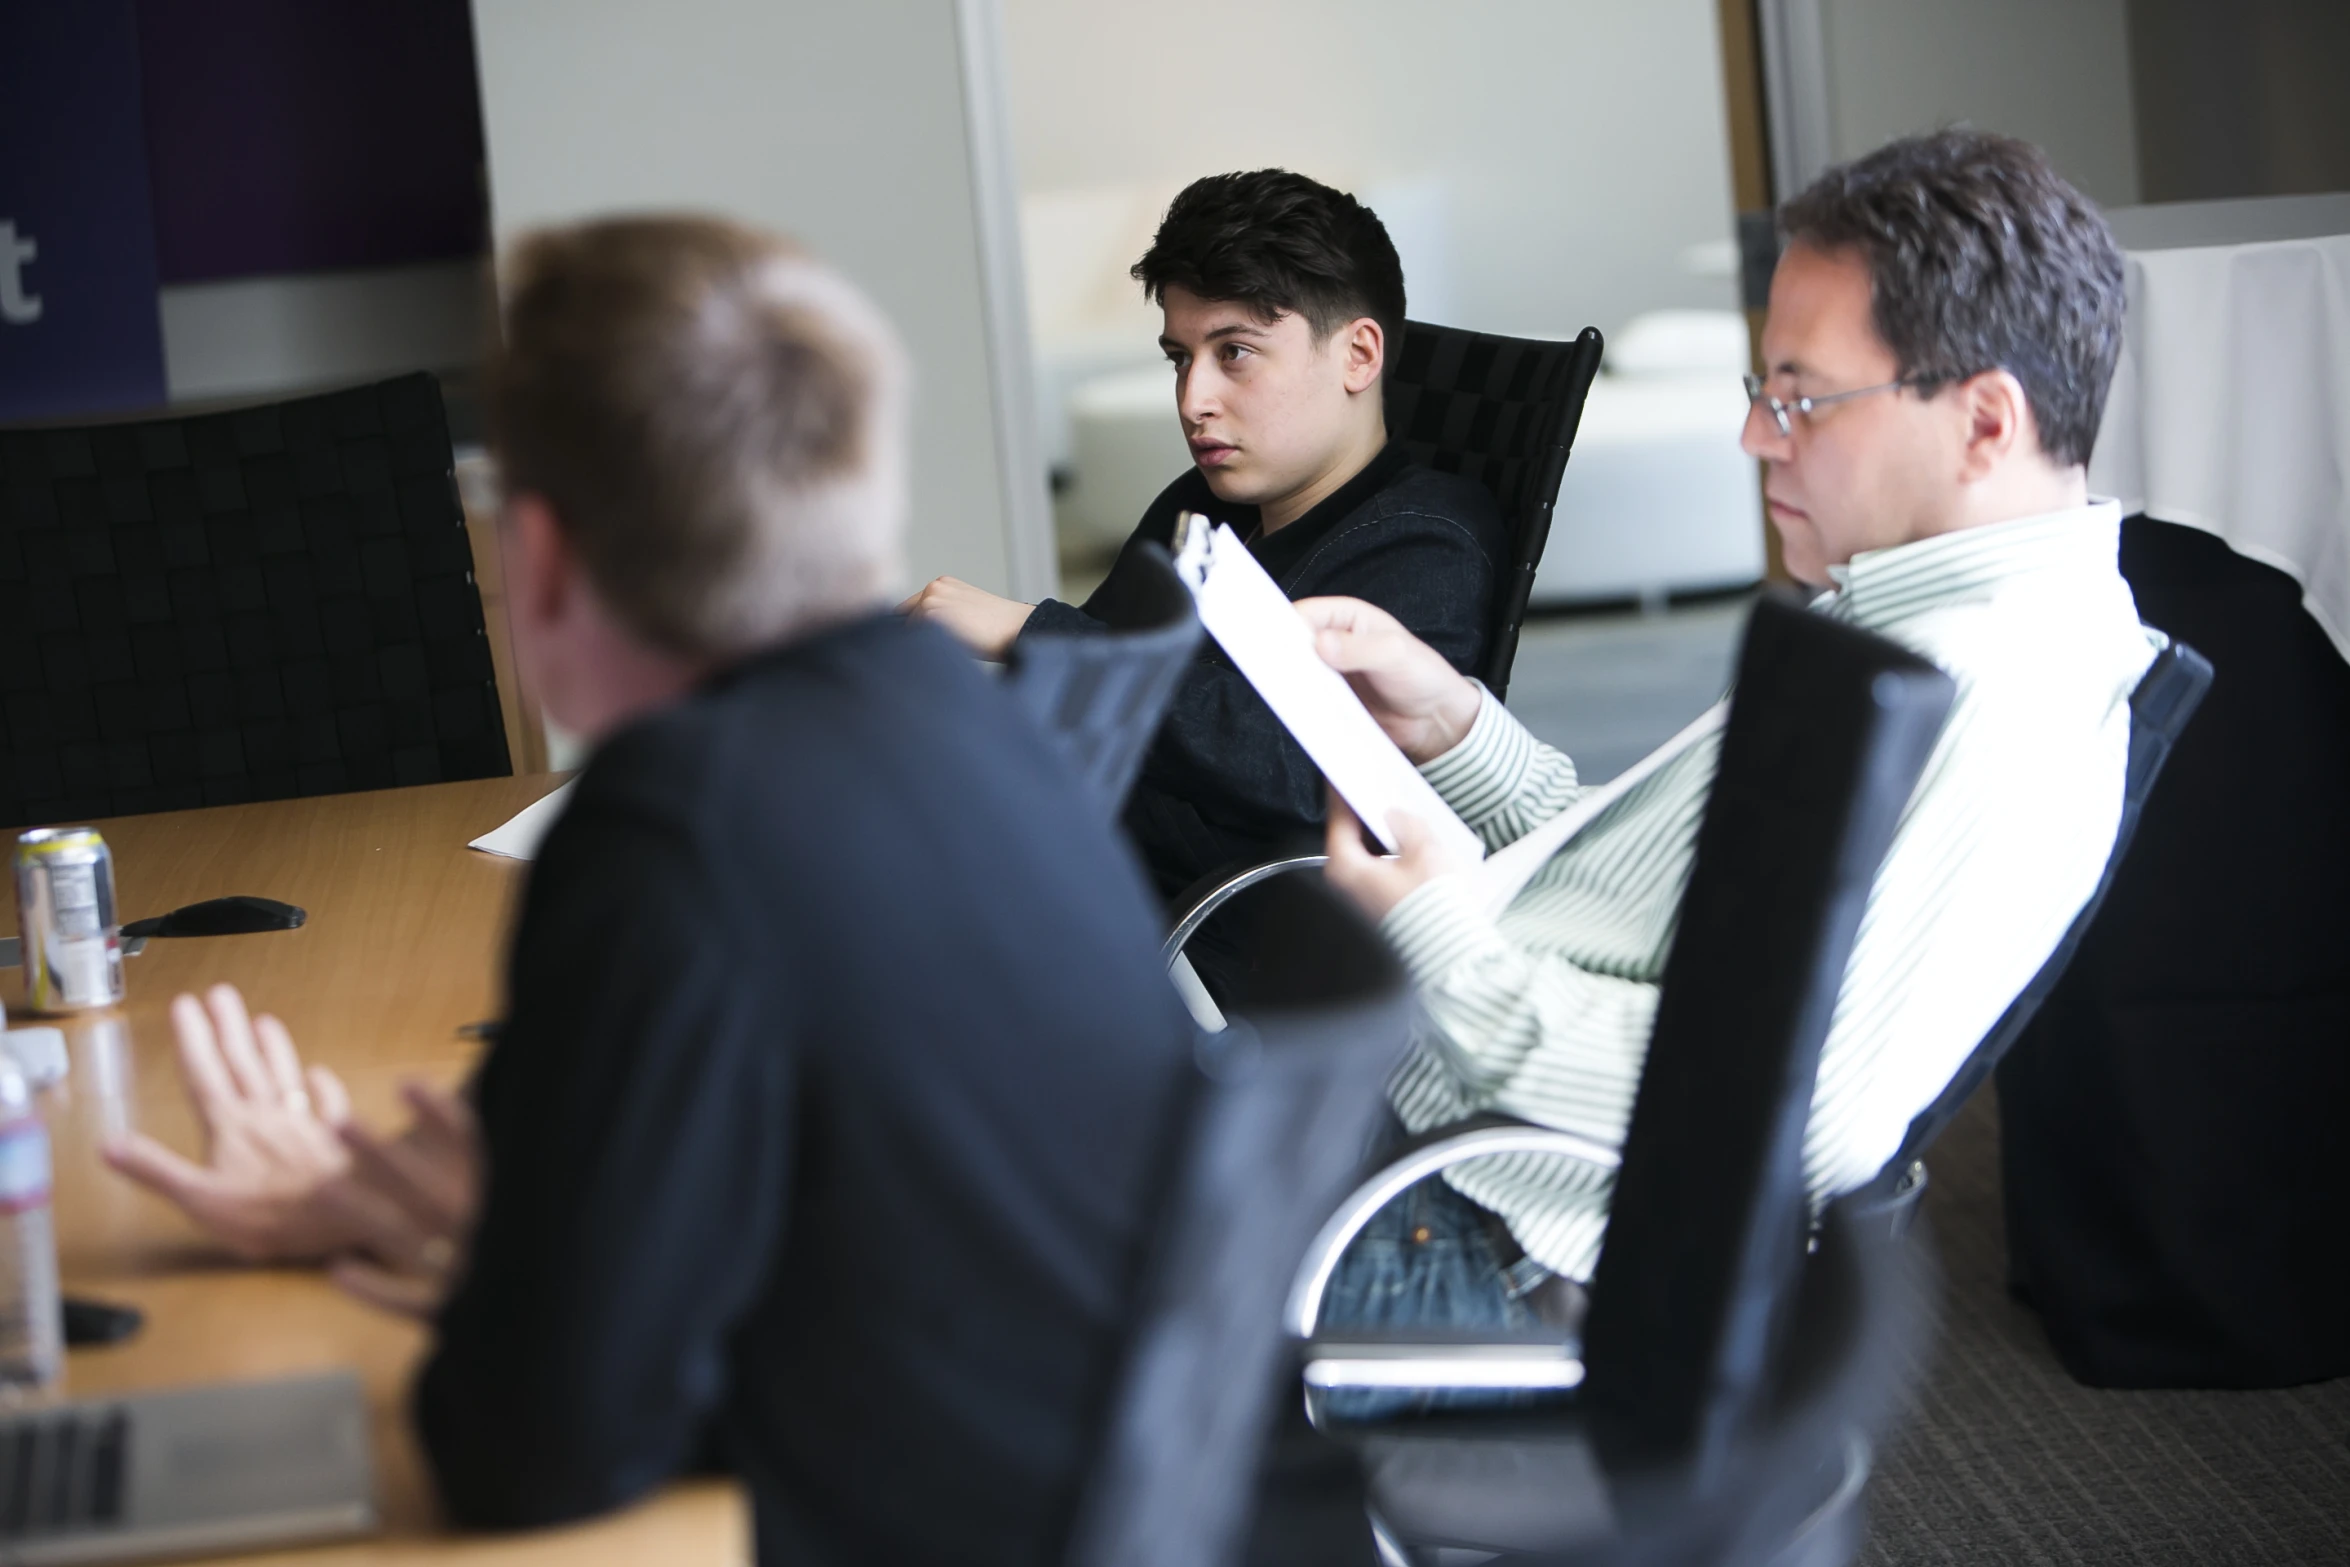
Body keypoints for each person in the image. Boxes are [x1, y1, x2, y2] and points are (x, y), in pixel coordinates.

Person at [103, 216, 1205, 1564]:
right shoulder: (987, 724)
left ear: (543, 560)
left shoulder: (673, 823)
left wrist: (509, 1276)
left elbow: (527, 1448)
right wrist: (514, 1231)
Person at [1300, 130, 2154, 1354]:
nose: (1757, 438)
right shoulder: (1917, 622)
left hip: (1481, 1234)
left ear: (1983, 422)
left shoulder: (1988, 689)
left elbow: (1808, 1114)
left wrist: (1437, 944)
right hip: (1434, 1155)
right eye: (1762, 393)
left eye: (1799, 398)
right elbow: (1668, 907)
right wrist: (1457, 730)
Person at [901, 169, 1507, 916]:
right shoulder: (1206, 507)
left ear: (1358, 355)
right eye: (1180, 358)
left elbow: (1300, 768)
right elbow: (1095, 688)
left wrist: (1033, 631)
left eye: (1235, 353)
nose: (1193, 401)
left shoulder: (1426, 545)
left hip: (1209, 938)